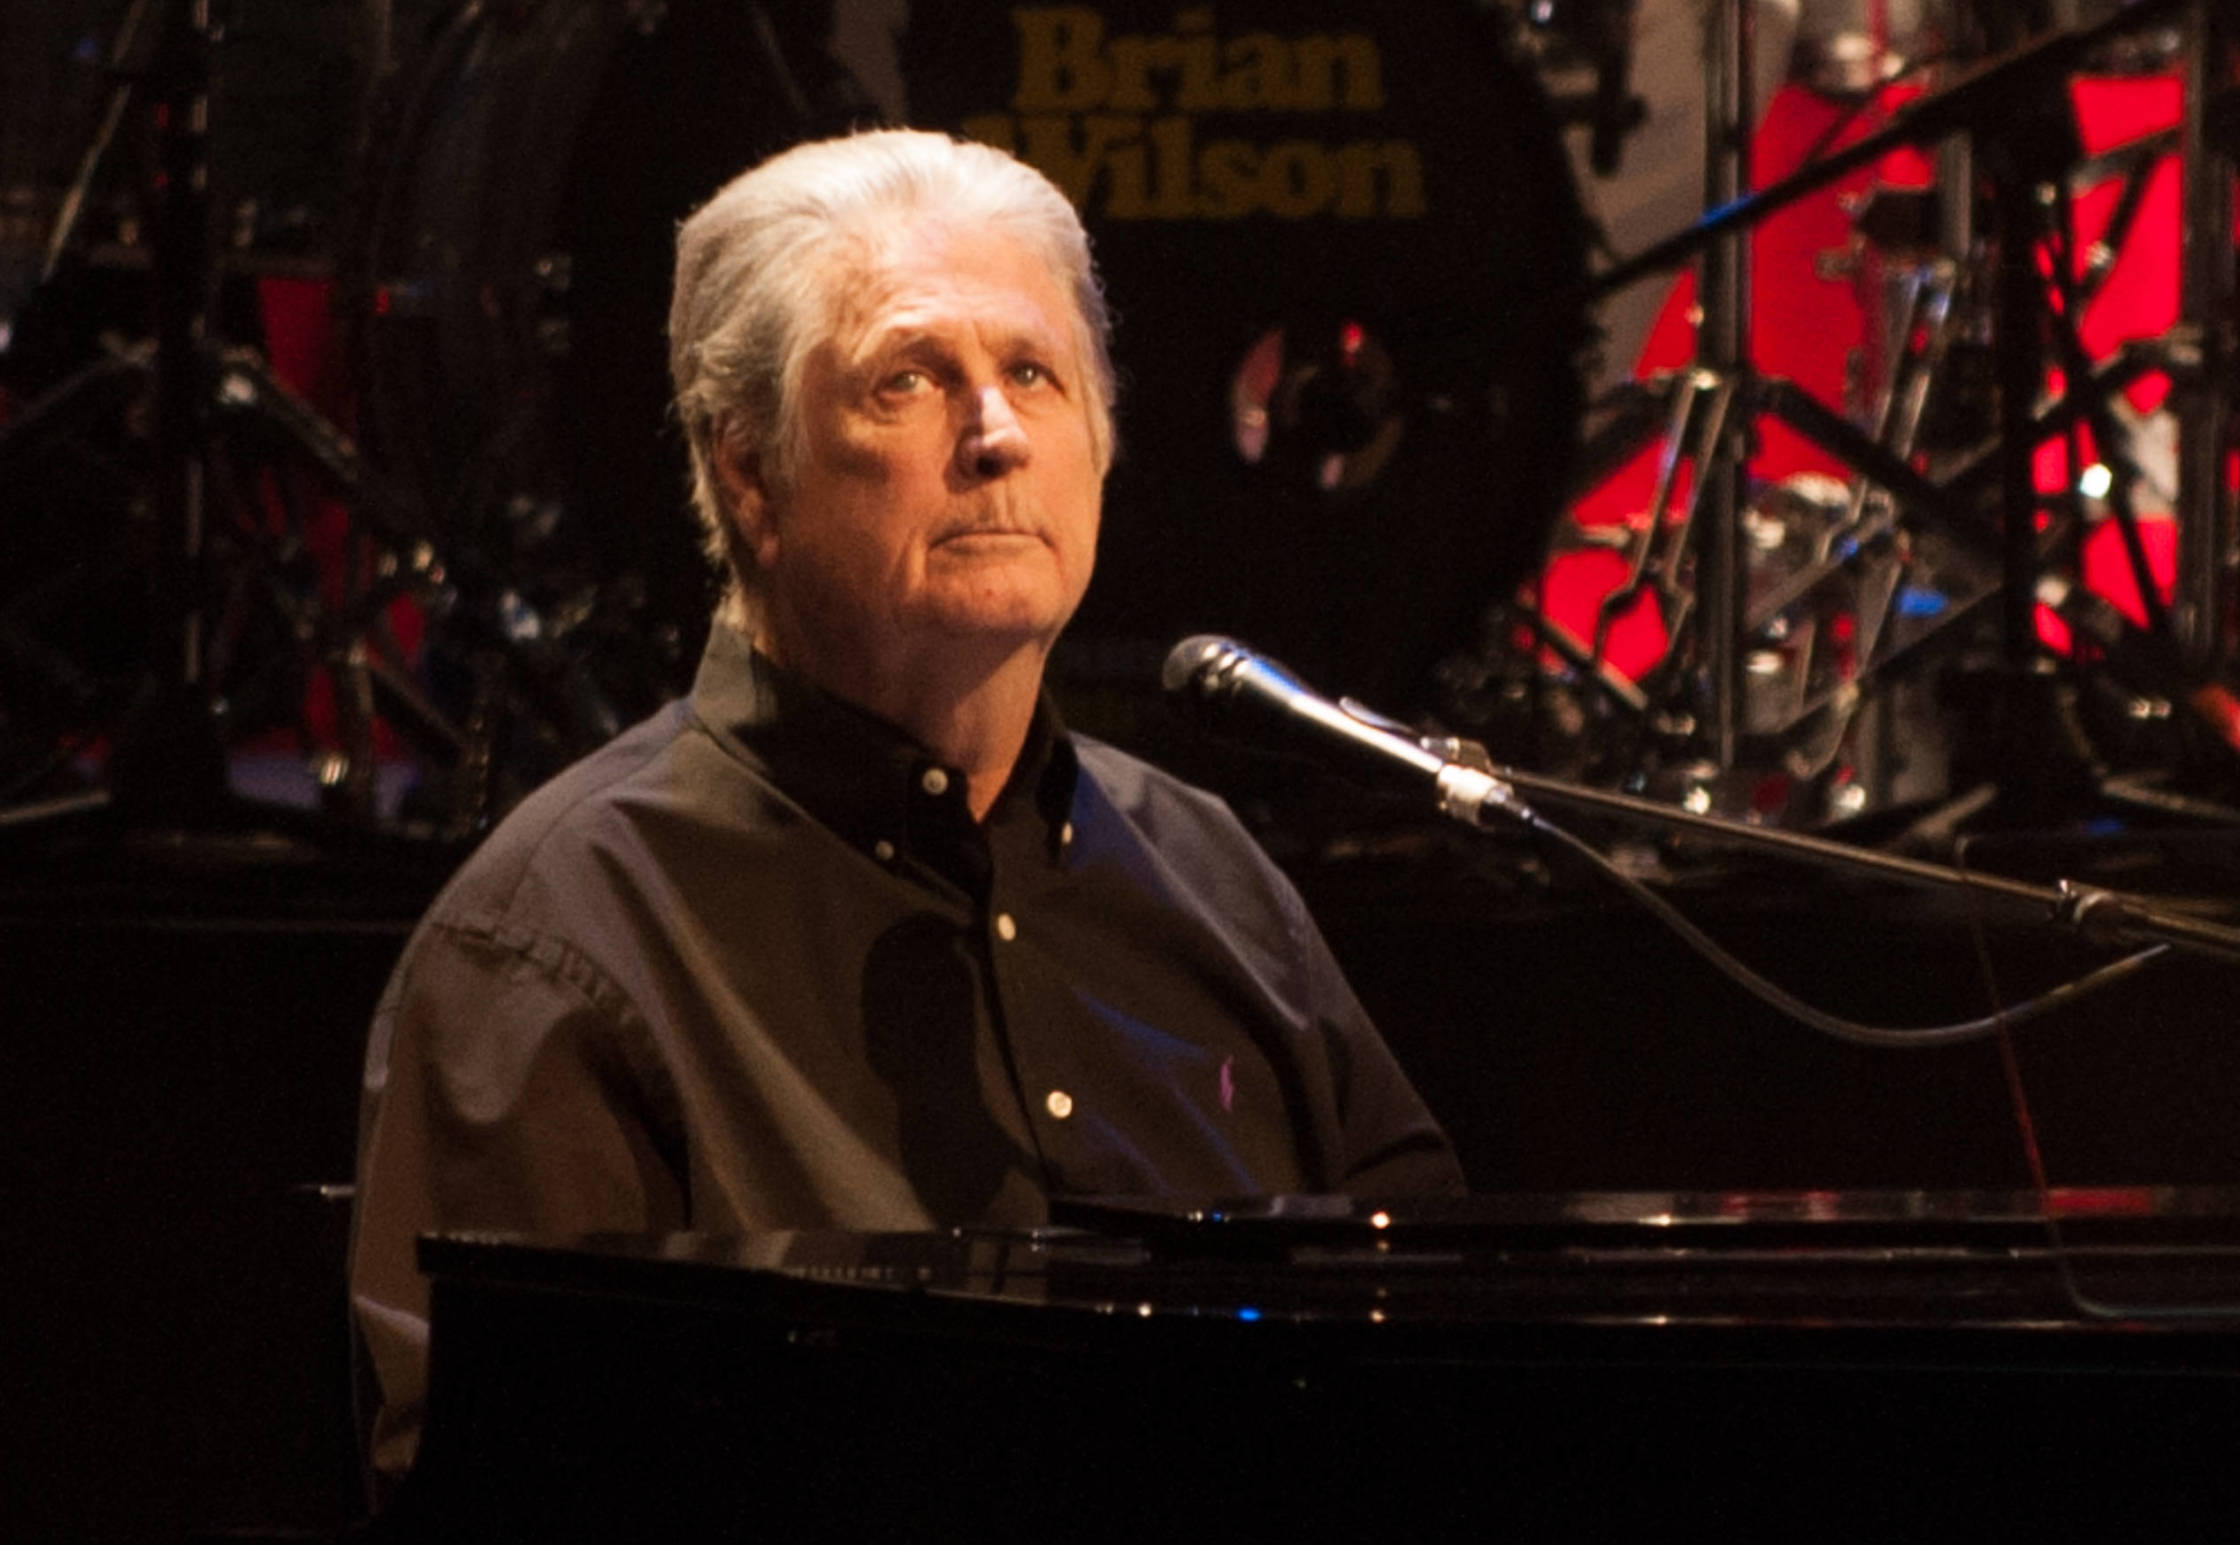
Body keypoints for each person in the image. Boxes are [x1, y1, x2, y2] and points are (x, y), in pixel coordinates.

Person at [347, 129, 1463, 1483]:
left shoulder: (1214, 882)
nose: (996, 436)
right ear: (749, 469)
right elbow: (518, 1497)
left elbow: (1442, 1379)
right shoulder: (554, 947)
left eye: (1034, 373)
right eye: (910, 380)